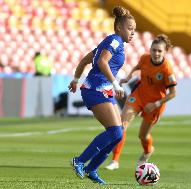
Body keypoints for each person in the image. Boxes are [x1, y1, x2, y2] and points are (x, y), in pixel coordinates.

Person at [68, 6, 136, 184]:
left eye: (134, 30)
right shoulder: (114, 41)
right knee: (115, 131)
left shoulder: (111, 42)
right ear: (119, 28)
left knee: (118, 134)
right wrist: (114, 83)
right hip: (95, 90)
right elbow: (102, 61)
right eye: (130, 29)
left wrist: (75, 79)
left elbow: (84, 60)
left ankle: (91, 169)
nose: (133, 33)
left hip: (101, 90)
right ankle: (80, 161)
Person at [105, 34, 177, 170]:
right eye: (154, 50)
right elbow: (137, 67)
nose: (156, 53)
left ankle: (147, 151)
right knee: (121, 126)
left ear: (165, 52)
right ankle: (115, 161)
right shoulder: (145, 58)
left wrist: (155, 104)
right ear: (150, 50)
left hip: (155, 104)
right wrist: (128, 77)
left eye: (159, 51)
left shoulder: (167, 69)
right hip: (138, 96)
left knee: (143, 136)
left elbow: (173, 93)